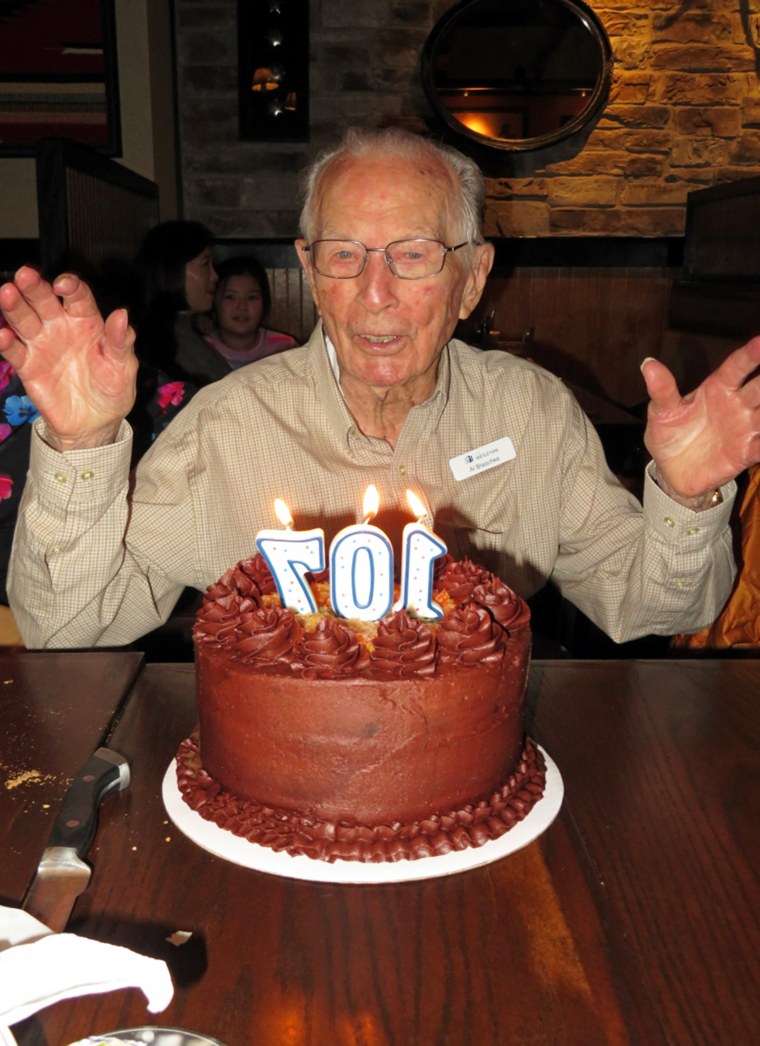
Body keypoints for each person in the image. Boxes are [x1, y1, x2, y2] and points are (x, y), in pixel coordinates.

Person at [0, 126, 759, 651]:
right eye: (343, 255)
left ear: (473, 280)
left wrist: (686, 500)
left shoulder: (530, 414)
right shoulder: (226, 427)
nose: (374, 293)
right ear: (309, 271)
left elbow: (654, 606)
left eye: (414, 254)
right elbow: (70, 628)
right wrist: (82, 443)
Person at [133, 219, 228, 388]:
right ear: (173, 268)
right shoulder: (160, 343)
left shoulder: (183, 332)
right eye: (205, 264)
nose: (214, 276)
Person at [206, 255, 298, 368]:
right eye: (230, 297)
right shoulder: (201, 348)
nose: (242, 306)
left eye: (251, 297)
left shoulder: (285, 346)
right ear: (214, 300)